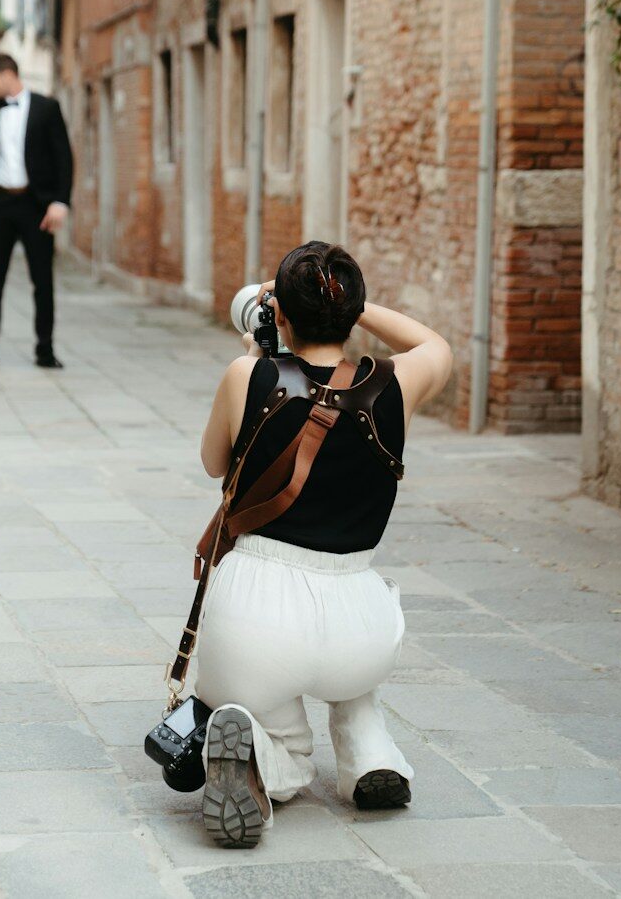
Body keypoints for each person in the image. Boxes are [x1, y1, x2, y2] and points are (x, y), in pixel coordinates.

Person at [191, 241, 453, 849]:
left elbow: (212, 464)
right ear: (352, 308)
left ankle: (261, 753)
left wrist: (257, 358)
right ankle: (370, 760)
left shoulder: (246, 375)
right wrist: (352, 307)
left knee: (264, 710)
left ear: (278, 312)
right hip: (359, 622)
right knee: (354, 691)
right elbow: (434, 345)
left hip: (257, 621)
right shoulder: (397, 381)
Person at [0, 53, 73, 369]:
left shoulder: (47, 107)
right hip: (0, 205)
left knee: (42, 281)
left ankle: (45, 350)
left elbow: (64, 158)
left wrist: (60, 202)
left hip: (36, 206)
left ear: (8, 75)